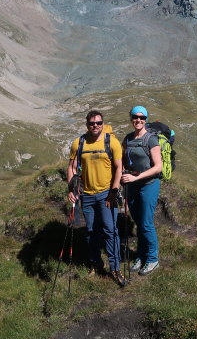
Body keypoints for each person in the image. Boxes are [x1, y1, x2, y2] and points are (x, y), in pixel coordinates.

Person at [68, 110, 125, 286]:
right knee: (91, 231)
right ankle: (96, 263)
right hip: (87, 195)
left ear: (103, 123)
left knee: (110, 230)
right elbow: (71, 167)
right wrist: (71, 188)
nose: (95, 126)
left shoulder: (112, 142)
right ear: (87, 124)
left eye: (99, 123)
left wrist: (114, 191)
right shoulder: (78, 143)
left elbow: (118, 168)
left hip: (107, 194)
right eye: (92, 123)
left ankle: (115, 268)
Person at [121, 105, 163, 276]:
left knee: (146, 223)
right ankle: (141, 255)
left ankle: (152, 259)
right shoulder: (128, 138)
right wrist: (123, 173)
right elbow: (124, 159)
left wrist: (136, 178)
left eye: (142, 118)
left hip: (148, 184)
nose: (138, 120)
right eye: (135, 117)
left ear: (146, 119)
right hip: (132, 185)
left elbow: (158, 167)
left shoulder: (151, 139)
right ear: (131, 118)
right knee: (139, 222)